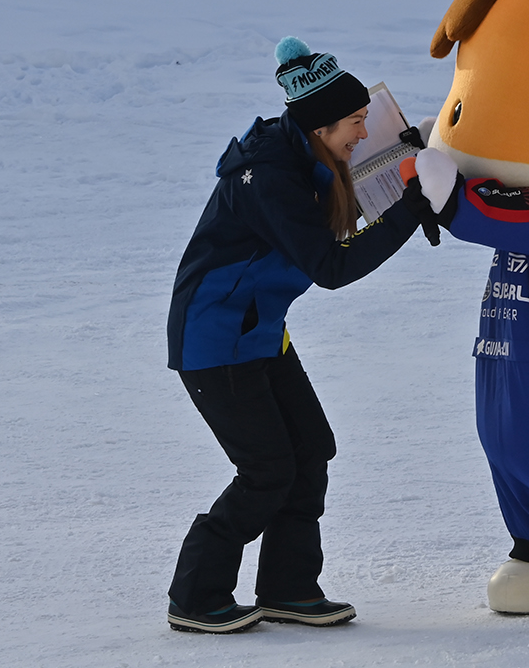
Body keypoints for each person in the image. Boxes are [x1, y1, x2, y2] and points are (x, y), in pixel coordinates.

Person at [164, 37, 430, 632]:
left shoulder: (307, 156)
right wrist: (411, 209)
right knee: (267, 470)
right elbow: (330, 267)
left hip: (261, 332)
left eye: (367, 120)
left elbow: (354, 202)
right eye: (356, 123)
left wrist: (408, 162)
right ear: (320, 125)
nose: (363, 133)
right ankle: (196, 596)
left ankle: (287, 587)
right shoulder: (268, 178)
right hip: (216, 340)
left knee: (311, 449)